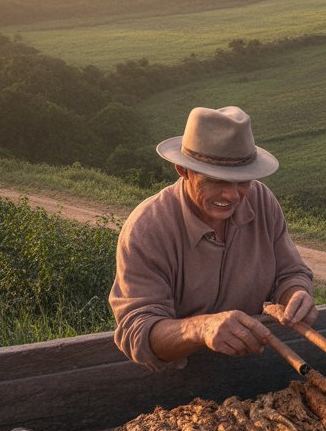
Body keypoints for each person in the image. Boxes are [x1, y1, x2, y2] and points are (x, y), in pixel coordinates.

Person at [109, 105, 315, 370]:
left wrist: (296, 293)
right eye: (217, 180)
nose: (233, 195)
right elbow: (137, 330)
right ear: (183, 170)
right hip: (179, 382)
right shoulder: (147, 229)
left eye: (243, 181)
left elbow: (290, 272)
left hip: (256, 367)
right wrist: (201, 328)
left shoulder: (262, 201)